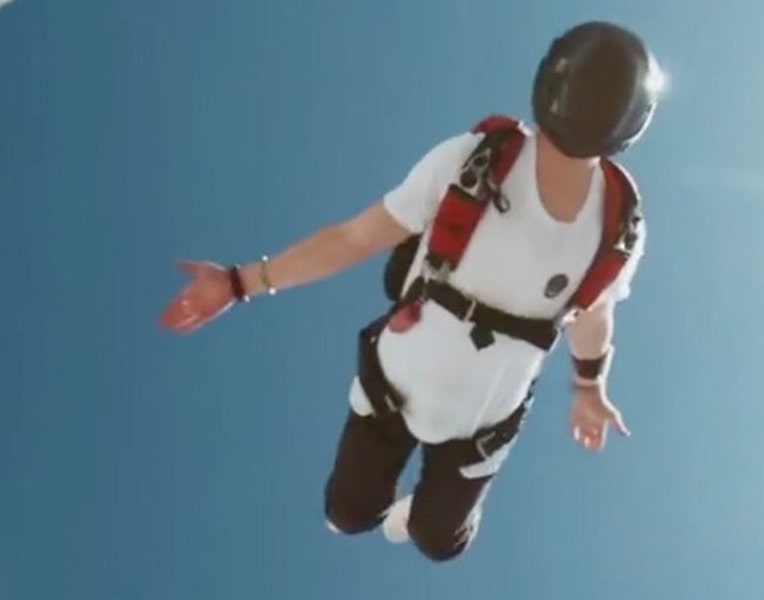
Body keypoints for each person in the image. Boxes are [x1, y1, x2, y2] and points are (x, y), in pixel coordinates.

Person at [160, 20, 664, 562]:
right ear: (628, 129)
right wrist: (240, 283)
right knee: (347, 515)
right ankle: (388, 513)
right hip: (392, 392)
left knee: (437, 541)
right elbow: (354, 238)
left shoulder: (617, 227)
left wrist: (590, 388)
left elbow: (591, 314)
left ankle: (420, 517)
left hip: (481, 427)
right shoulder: (475, 160)